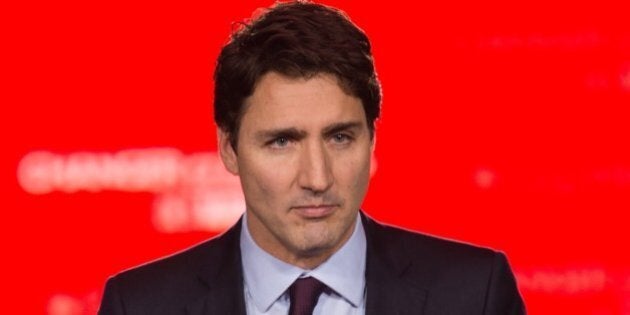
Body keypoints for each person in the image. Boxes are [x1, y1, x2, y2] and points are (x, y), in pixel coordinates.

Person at [98, 1, 526, 314]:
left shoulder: (475, 295)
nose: (317, 178)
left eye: (340, 137)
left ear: (372, 139)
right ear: (229, 147)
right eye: (283, 142)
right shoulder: (139, 306)